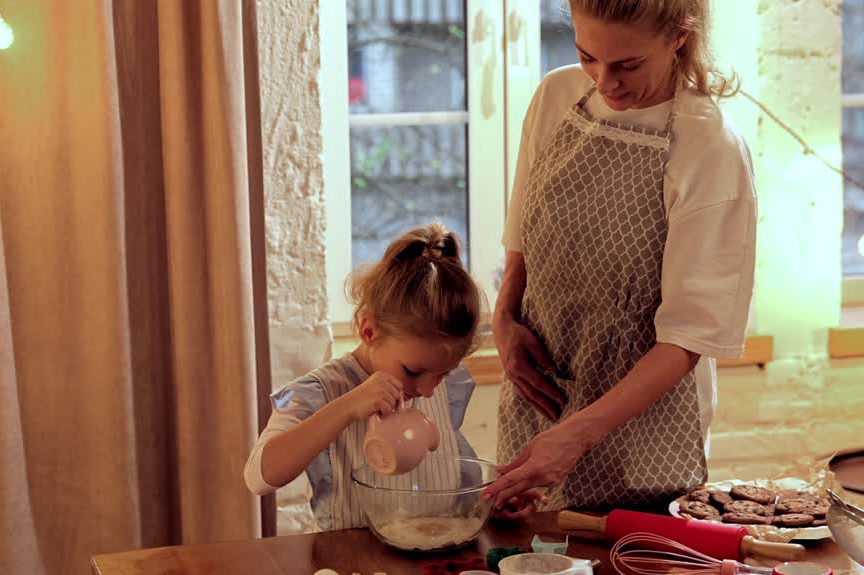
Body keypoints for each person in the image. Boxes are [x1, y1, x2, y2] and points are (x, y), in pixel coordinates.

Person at [485, 0, 757, 512]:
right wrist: (504, 322)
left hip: (644, 432)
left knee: (621, 562)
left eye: (627, 65)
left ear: (678, 36)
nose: (605, 83)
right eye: (588, 56)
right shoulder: (557, 96)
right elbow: (521, 237)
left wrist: (577, 435)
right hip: (539, 400)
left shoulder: (709, 146)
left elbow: (688, 337)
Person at [245, 224, 531, 531]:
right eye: (413, 371)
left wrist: (490, 505)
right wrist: (346, 407)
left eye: (444, 373)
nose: (427, 390)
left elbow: (446, 488)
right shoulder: (322, 391)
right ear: (369, 331)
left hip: (436, 551)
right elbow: (258, 478)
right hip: (350, 557)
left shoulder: (443, 388)